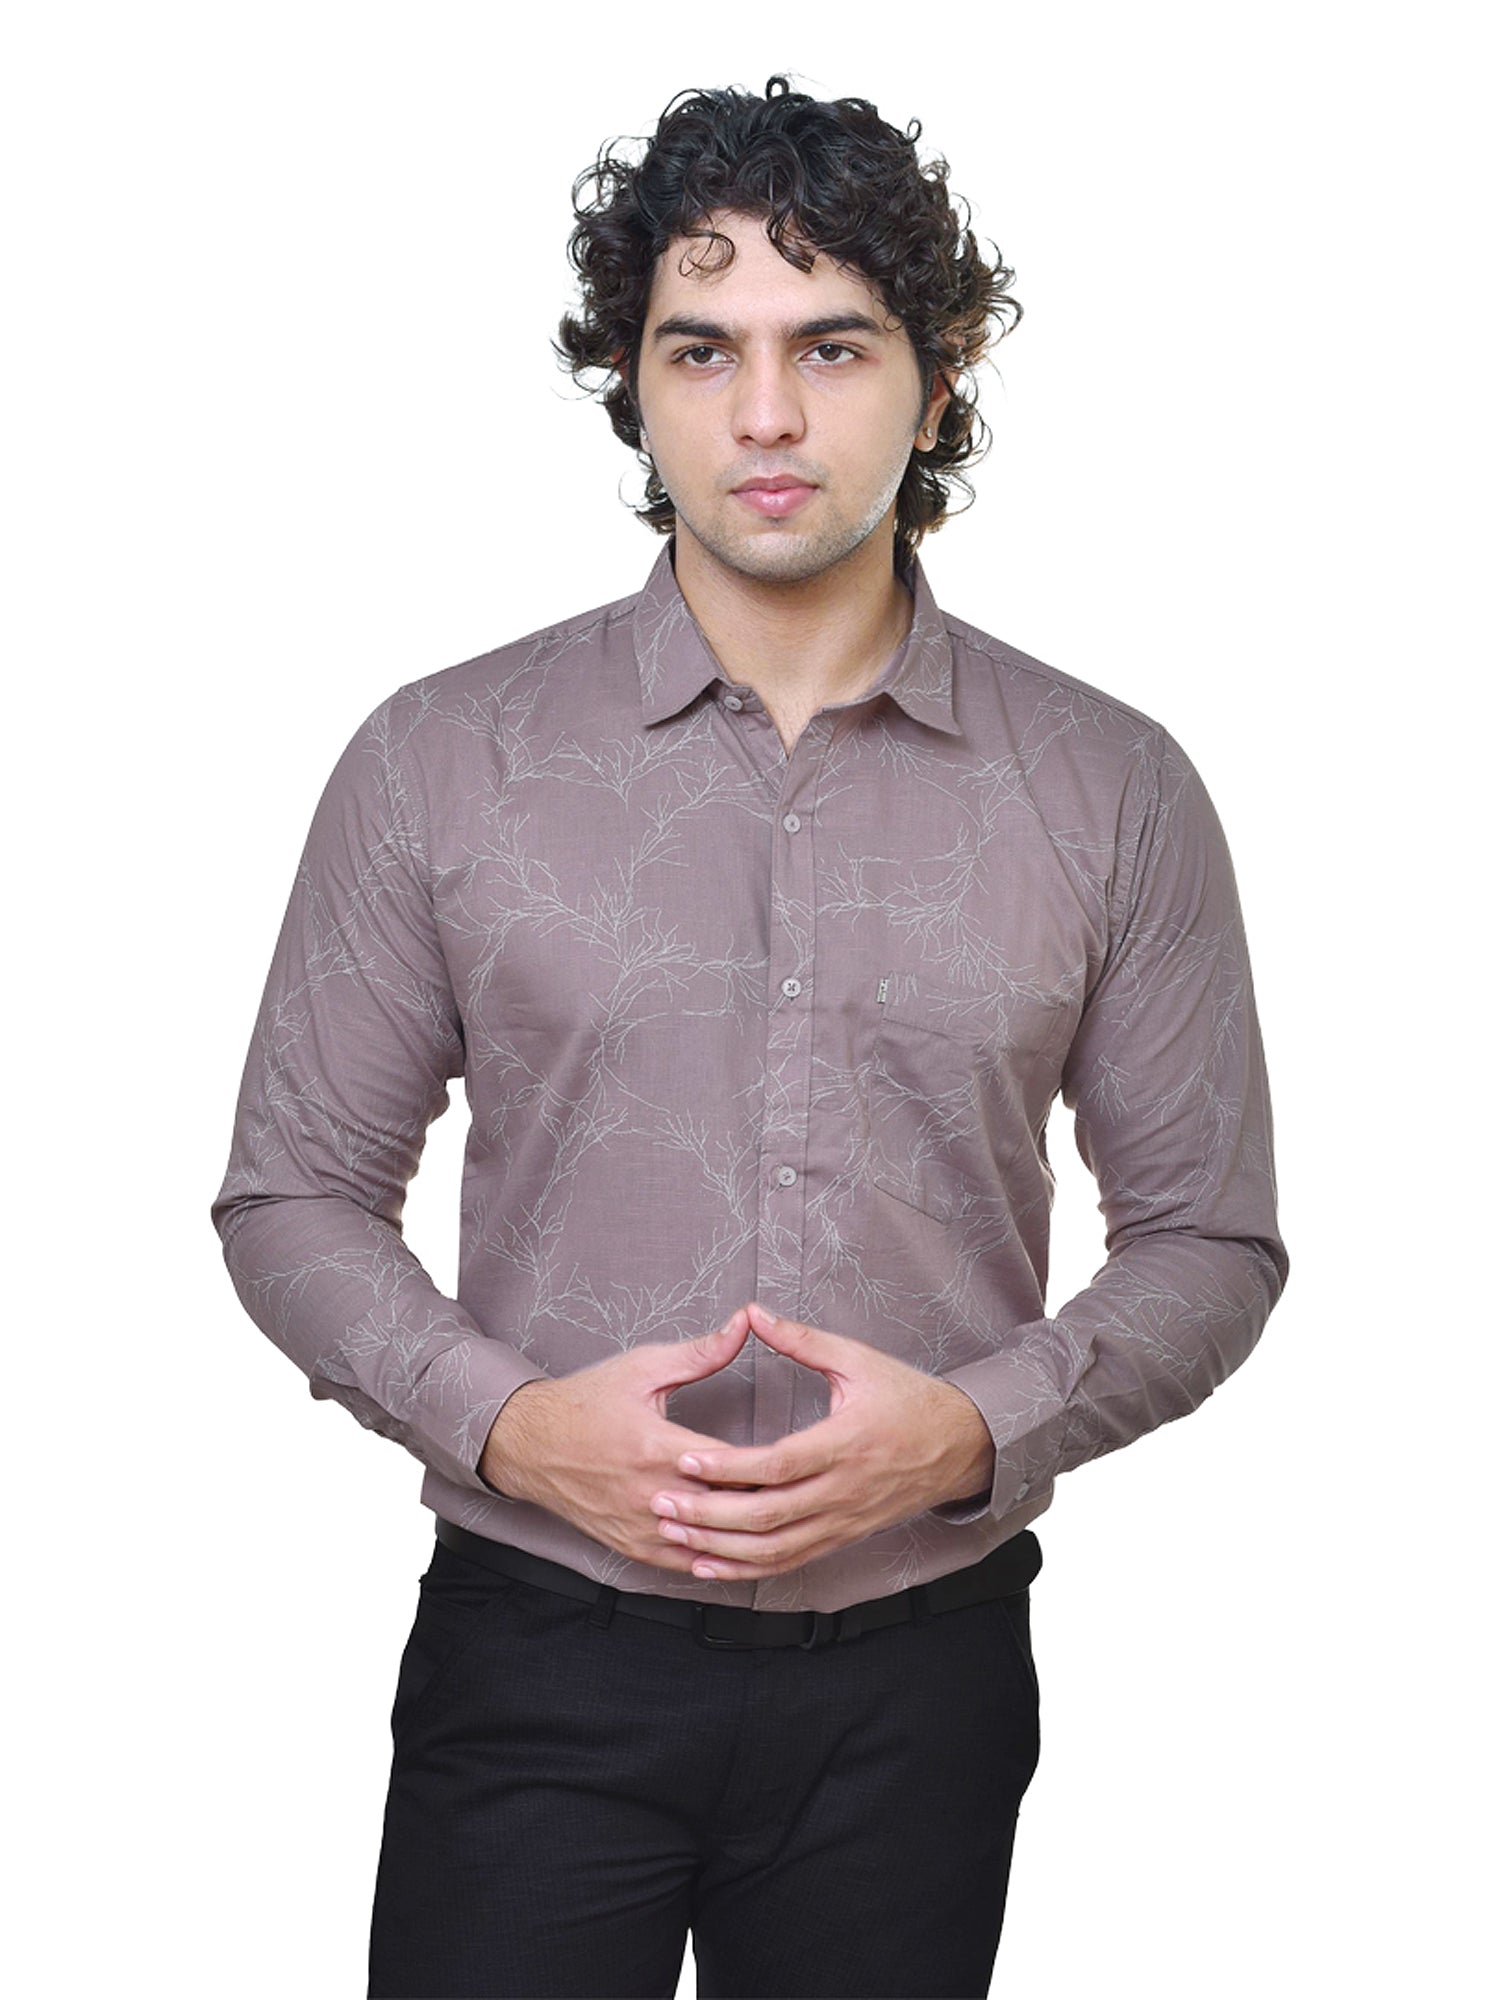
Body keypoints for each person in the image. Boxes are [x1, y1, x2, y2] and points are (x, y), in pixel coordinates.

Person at [212, 76, 1287, 2000]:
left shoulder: (1112, 789)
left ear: (936, 387)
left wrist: (975, 1428)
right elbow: (291, 1196)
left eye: (833, 347)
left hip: (921, 1688)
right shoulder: (440, 760)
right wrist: (508, 1427)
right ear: (634, 388)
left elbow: (1211, 1236)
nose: (767, 414)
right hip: (537, 1659)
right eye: (702, 349)